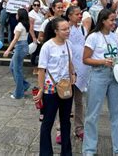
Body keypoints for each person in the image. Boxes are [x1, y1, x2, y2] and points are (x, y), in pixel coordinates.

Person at [82, 9, 118, 156]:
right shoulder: (93, 37)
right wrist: (102, 61)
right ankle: (89, 149)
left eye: (115, 20)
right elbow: (85, 59)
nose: (114, 23)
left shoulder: (114, 37)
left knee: (117, 113)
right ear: (103, 20)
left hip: (115, 75)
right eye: (112, 20)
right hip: (99, 74)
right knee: (92, 114)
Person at [34, 17, 75, 156]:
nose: (67, 31)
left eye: (68, 28)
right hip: (50, 89)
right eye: (64, 29)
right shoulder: (48, 46)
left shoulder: (68, 44)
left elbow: (70, 61)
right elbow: (41, 69)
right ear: (56, 31)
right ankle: (45, 153)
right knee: (48, 122)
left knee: (66, 122)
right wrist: (41, 89)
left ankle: (67, 152)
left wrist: (73, 74)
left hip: (66, 88)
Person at [65, 5, 90, 140]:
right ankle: (60, 129)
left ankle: (79, 127)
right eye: (76, 14)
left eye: (80, 14)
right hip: (66, 70)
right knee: (64, 99)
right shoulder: (64, 29)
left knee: (79, 101)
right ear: (69, 16)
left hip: (80, 69)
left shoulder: (82, 29)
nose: (79, 16)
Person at [3, 8, 30, 99]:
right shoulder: (25, 24)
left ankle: (19, 94)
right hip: (23, 46)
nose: (16, 15)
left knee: (17, 70)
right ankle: (24, 85)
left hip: (20, 47)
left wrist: (8, 50)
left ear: (20, 16)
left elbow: (15, 39)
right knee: (12, 67)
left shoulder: (19, 26)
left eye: (17, 14)